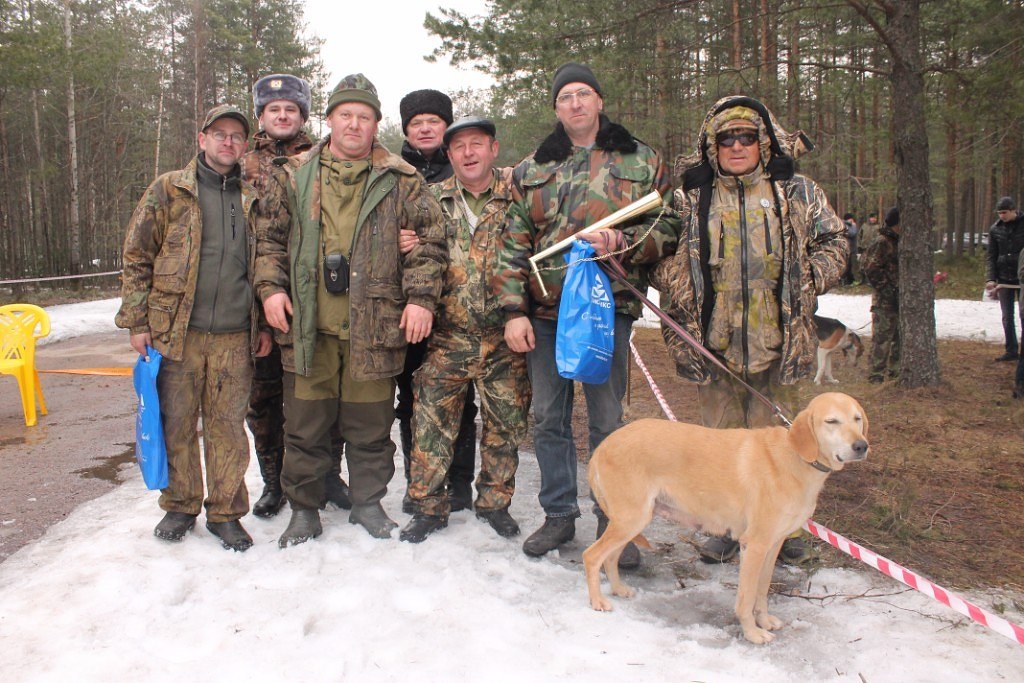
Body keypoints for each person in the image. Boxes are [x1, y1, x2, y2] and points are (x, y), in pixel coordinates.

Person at [650, 95, 848, 565]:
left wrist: (809, 277)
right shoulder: (688, 199)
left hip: (779, 341)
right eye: (726, 139)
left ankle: (787, 530)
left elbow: (835, 240)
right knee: (719, 445)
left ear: (763, 142)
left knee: (784, 444)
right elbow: (654, 250)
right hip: (713, 343)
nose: (736, 146)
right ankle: (725, 528)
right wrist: (681, 281)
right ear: (712, 147)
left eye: (746, 137)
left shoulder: (797, 191)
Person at [496, 62, 680, 565]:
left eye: (583, 93)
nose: (575, 103)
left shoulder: (641, 159)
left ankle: (614, 521)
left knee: (608, 420)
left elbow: (668, 227)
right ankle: (558, 515)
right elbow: (512, 244)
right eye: (565, 97)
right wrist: (513, 311)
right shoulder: (532, 169)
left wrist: (623, 241)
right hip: (546, 313)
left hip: (606, 309)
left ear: (599, 100)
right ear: (556, 108)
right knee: (548, 418)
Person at [255, 74, 447, 546]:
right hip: (308, 327)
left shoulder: (401, 178)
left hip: (375, 327)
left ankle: (367, 503)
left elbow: (430, 244)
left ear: (376, 124)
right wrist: (271, 290)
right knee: (304, 428)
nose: (355, 125)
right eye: (346, 115)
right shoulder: (293, 174)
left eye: (364, 117)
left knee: (370, 428)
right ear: (329, 120)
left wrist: (421, 298)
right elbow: (269, 240)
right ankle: (304, 509)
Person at [116, 104, 272, 552]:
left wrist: (262, 325)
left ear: (245, 145)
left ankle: (226, 512)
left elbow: (265, 265)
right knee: (177, 422)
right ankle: (180, 504)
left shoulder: (253, 198)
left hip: (234, 335)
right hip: (175, 332)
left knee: (227, 428)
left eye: (236, 136)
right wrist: (137, 320)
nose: (228, 141)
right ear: (202, 139)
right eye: (219, 134)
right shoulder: (169, 189)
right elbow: (137, 255)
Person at [399, 116, 531, 543]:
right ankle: (427, 507)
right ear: (449, 154)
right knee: (430, 424)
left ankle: (494, 503)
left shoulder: (520, 195)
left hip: (505, 336)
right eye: (459, 147)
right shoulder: (431, 200)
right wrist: (404, 242)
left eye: (477, 144)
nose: (469, 153)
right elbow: (412, 253)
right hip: (448, 336)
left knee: (506, 425)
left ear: (494, 149)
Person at [241, 73, 352, 519]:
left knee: (323, 393)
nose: (283, 115)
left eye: (291, 108)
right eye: (274, 109)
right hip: (254, 296)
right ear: (261, 115)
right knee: (264, 398)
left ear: (303, 115)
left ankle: (328, 475)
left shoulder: (322, 157)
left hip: (312, 295)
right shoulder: (240, 163)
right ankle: (274, 482)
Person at [395, 88, 478, 514]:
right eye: (416, 122)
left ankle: (459, 481)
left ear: (446, 126)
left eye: (433, 121)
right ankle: (421, 478)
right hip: (406, 305)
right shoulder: (392, 172)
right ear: (406, 130)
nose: (425, 128)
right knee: (411, 396)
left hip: (458, 307)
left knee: (459, 398)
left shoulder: (465, 169)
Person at [862, 206, 901, 384]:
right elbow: (871, 269)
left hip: (899, 299)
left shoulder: (899, 242)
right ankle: (876, 374)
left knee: (899, 338)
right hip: (884, 301)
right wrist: (887, 291)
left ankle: (896, 372)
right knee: (882, 339)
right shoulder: (882, 242)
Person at [985, 196, 1024, 362]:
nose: (1002, 216)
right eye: (999, 213)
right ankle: (1011, 350)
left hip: (1022, 278)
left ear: (1013, 210)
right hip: (1003, 278)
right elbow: (991, 255)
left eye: (1005, 212)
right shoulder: (995, 229)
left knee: (1023, 314)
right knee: (1007, 316)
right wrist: (990, 278)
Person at [842, 212, 859, 285]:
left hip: (851, 248)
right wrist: (854, 226)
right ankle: (845, 280)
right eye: (851, 219)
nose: (852, 220)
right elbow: (852, 233)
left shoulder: (849, 225)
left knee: (851, 265)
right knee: (847, 265)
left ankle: (850, 280)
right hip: (847, 248)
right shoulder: (845, 225)